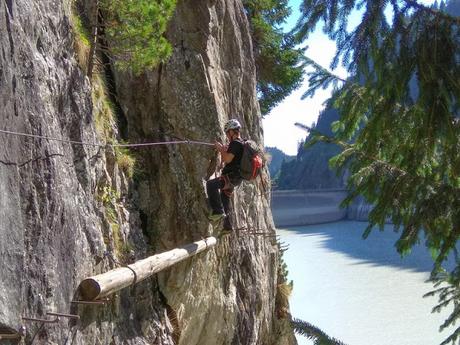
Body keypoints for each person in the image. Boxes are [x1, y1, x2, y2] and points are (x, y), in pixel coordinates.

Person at [206, 119, 244, 232]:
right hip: (236, 177)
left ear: (232, 132)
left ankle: (217, 211)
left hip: (231, 176)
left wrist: (220, 149)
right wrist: (224, 150)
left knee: (211, 185)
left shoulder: (235, 143)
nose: (227, 135)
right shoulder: (241, 143)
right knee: (225, 198)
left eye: (227, 132)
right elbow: (229, 159)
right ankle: (227, 227)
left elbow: (227, 159)